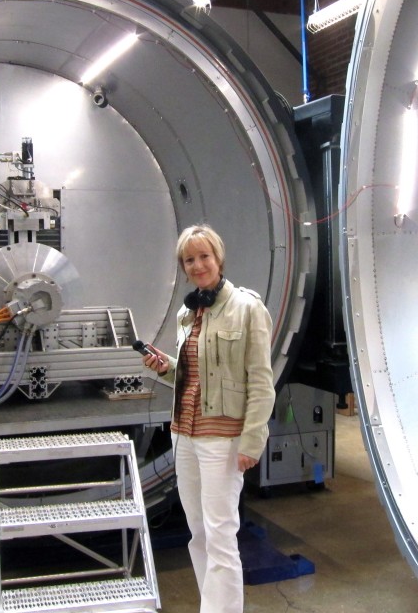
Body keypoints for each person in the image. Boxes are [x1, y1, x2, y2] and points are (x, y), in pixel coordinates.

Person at [141, 224, 275, 613]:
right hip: (186, 434)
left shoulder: (248, 308)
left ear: (218, 259)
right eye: (189, 259)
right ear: (183, 267)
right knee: (197, 533)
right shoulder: (188, 312)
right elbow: (190, 374)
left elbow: (261, 383)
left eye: (204, 256)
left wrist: (252, 442)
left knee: (220, 535)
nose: (198, 265)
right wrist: (161, 365)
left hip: (223, 438)